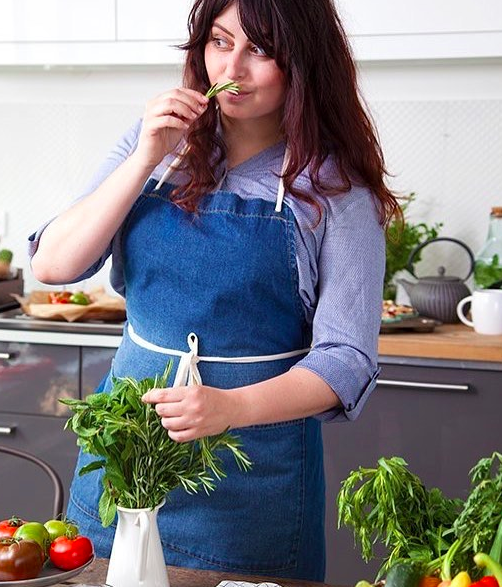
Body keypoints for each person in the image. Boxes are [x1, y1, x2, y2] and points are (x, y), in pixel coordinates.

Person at [29, 0, 401, 580]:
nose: (234, 66)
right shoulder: (152, 143)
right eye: (221, 42)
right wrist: (148, 156)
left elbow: (347, 360)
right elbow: (54, 264)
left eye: (261, 50)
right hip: (123, 456)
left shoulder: (336, 190)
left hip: (252, 481)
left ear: (302, 64)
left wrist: (230, 408)